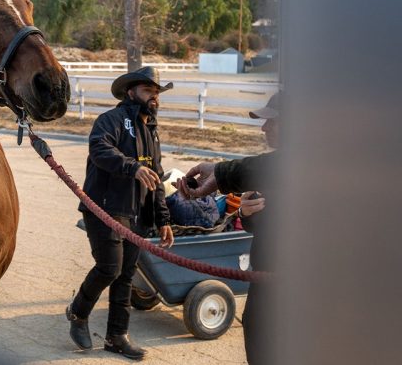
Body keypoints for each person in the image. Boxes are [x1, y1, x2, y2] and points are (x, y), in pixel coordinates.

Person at [66, 66, 175, 361]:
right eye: (148, 91)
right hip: (104, 208)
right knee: (109, 268)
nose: (154, 98)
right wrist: (133, 167)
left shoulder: (152, 131)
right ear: (131, 92)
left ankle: (116, 337)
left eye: (157, 93)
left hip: (136, 214)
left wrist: (163, 219)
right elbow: (99, 149)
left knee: (125, 275)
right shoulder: (111, 121)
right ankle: (78, 312)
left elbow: (158, 177)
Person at [177, 91, 281, 365]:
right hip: (265, 283)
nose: (264, 127)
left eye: (273, 121)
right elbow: (258, 222)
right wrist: (247, 213)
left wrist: (221, 173)